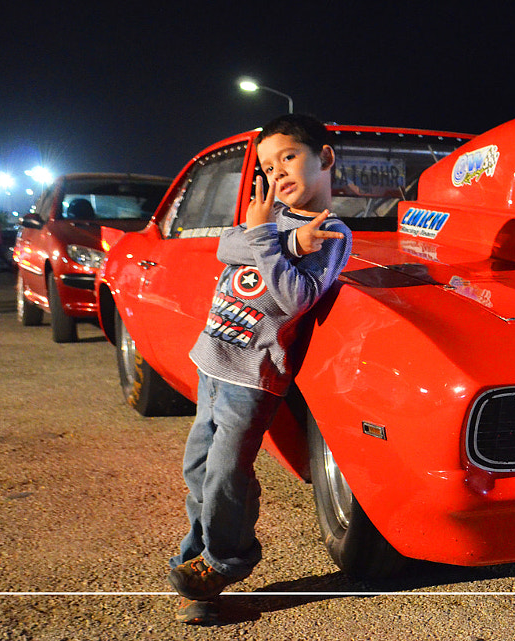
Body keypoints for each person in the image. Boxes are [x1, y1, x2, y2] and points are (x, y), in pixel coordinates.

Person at [168, 114, 351, 625]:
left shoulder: (332, 231)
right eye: (268, 166)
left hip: (253, 373)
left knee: (225, 473)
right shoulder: (272, 222)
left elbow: (294, 297)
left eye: (289, 157)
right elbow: (227, 247)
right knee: (199, 471)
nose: (277, 173)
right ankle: (195, 566)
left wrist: (268, 239)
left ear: (325, 157)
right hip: (212, 359)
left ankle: (225, 561)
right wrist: (280, 240)